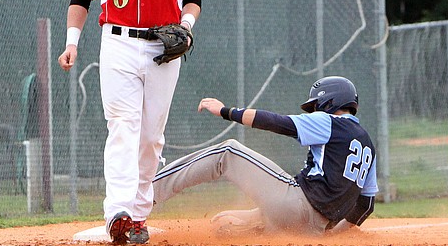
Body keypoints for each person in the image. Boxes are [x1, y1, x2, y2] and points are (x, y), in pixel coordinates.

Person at [58, 0, 201, 245]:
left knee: (151, 136)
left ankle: (138, 216)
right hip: (118, 43)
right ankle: (118, 214)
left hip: (162, 48)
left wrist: (186, 26)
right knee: (123, 126)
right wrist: (72, 42)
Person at [152, 76, 377, 236]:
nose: (314, 111)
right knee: (225, 223)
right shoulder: (368, 145)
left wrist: (225, 111)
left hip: (295, 206)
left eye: (316, 105)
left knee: (227, 152)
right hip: (313, 228)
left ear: (329, 102)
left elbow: (276, 122)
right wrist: (330, 235)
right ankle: (252, 226)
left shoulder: (329, 121)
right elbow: (365, 206)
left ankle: (145, 196)